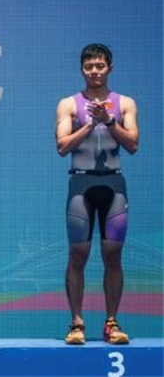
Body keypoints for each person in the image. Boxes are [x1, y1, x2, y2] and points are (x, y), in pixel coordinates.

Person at [55, 43, 139, 344]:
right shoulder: (68, 104)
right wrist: (91, 123)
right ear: (82, 70)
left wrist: (110, 121)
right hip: (81, 186)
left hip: (113, 186)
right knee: (78, 254)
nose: (94, 71)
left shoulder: (125, 103)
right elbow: (62, 146)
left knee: (113, 256)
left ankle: (111, 323)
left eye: (100, 66)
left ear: (109, 69)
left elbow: (133, 144)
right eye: (89, 66)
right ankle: (76, 324)